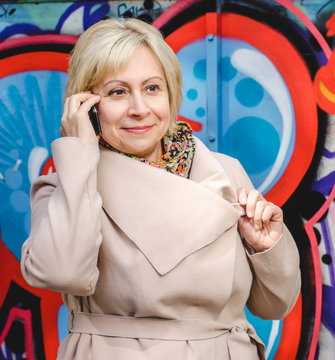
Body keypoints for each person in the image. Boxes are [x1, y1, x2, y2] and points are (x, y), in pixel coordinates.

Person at [21, 18, 301, 360]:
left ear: (171, 92)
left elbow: (275, 305)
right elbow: (62, 273)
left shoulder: (225, 172)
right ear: (86, 105)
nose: (140, 110)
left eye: (152, 88)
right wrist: (78, 158)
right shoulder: (66, 186)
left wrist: (267, 249)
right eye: (117, 92)